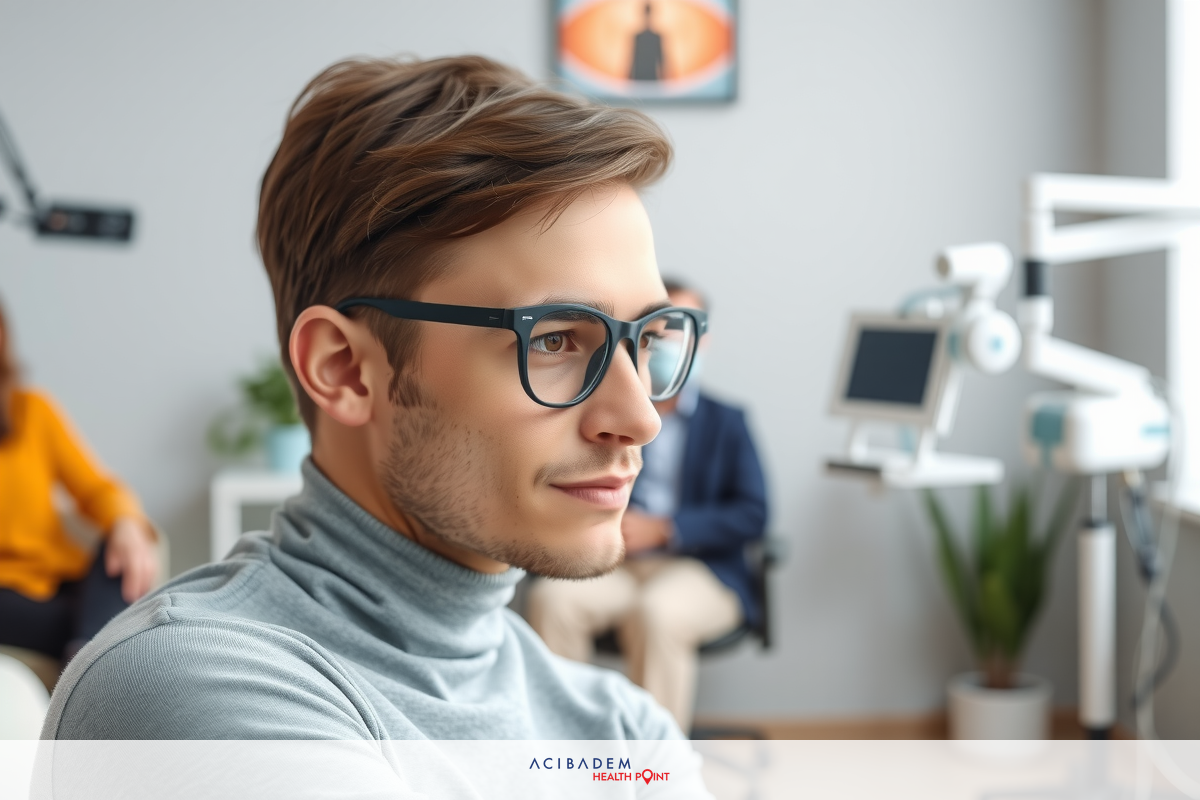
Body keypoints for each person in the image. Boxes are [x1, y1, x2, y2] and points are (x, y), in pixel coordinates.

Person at [42, 56, 709, 752]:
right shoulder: (183, 690)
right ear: (346, 371)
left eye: (648, 339)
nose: (641, 417)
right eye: (554, 340)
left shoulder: (621, 729)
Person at [526, 281, 768, 732]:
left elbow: (753, 514)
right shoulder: (614, 412)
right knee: (552, 599)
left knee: (658, 612)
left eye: (682, 330)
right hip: (619, 565)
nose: (668, 345)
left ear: (703, 341)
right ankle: (563, 754)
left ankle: (654, 770)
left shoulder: (727, 422)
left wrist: (667, 529)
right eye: (657, 333)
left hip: (700, 569)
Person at [0, 298, 159, 667]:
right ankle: (94, 657)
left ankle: (85, 657)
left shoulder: (33, 411)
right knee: (124, 625)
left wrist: (125, 523)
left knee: (117, 556)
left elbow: (97, 489)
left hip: (59, 579)